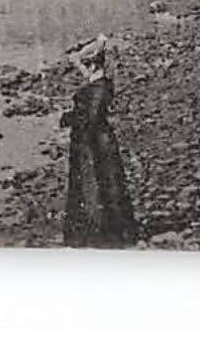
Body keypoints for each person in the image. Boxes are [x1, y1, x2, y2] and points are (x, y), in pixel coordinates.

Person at [61, 35, 138, 248]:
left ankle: (99, 230)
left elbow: (91, 117)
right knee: (102, 182)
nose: (80, 70)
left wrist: (72, 118)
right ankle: (109, 228)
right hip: (96, 139)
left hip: (91, 142)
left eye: (84, 66)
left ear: (92, 65)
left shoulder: (98, 87)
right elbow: (90, 101)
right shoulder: (101, 82)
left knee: (93, 183)